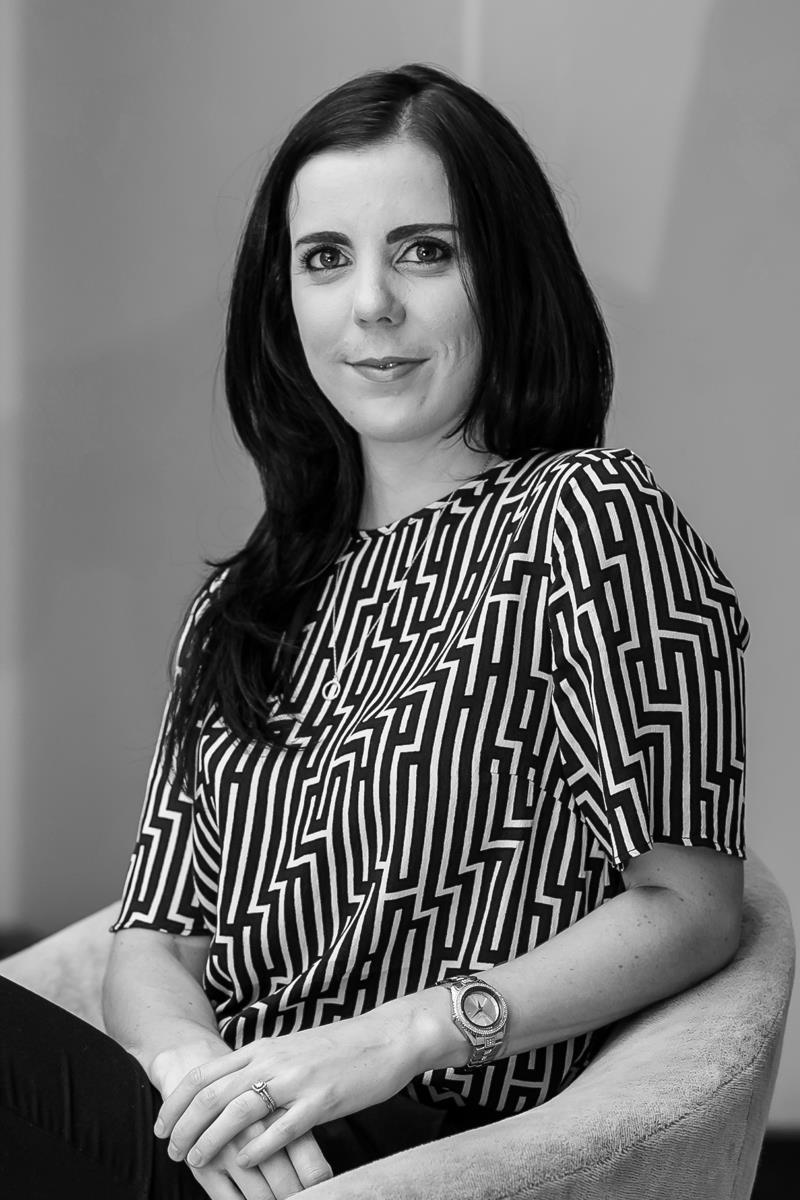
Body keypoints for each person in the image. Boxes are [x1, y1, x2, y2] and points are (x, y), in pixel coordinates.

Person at [0, 63, 748, 1199]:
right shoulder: (245, 601)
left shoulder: (587, 518)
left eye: (424, 251)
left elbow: (691, 907)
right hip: (224, 1148)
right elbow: (155, 937)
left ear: (507, 274)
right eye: (324, 258)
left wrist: (398, 1037)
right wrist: (201, 1082)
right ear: (284, 303)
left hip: (414, 1148)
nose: (371, 306)